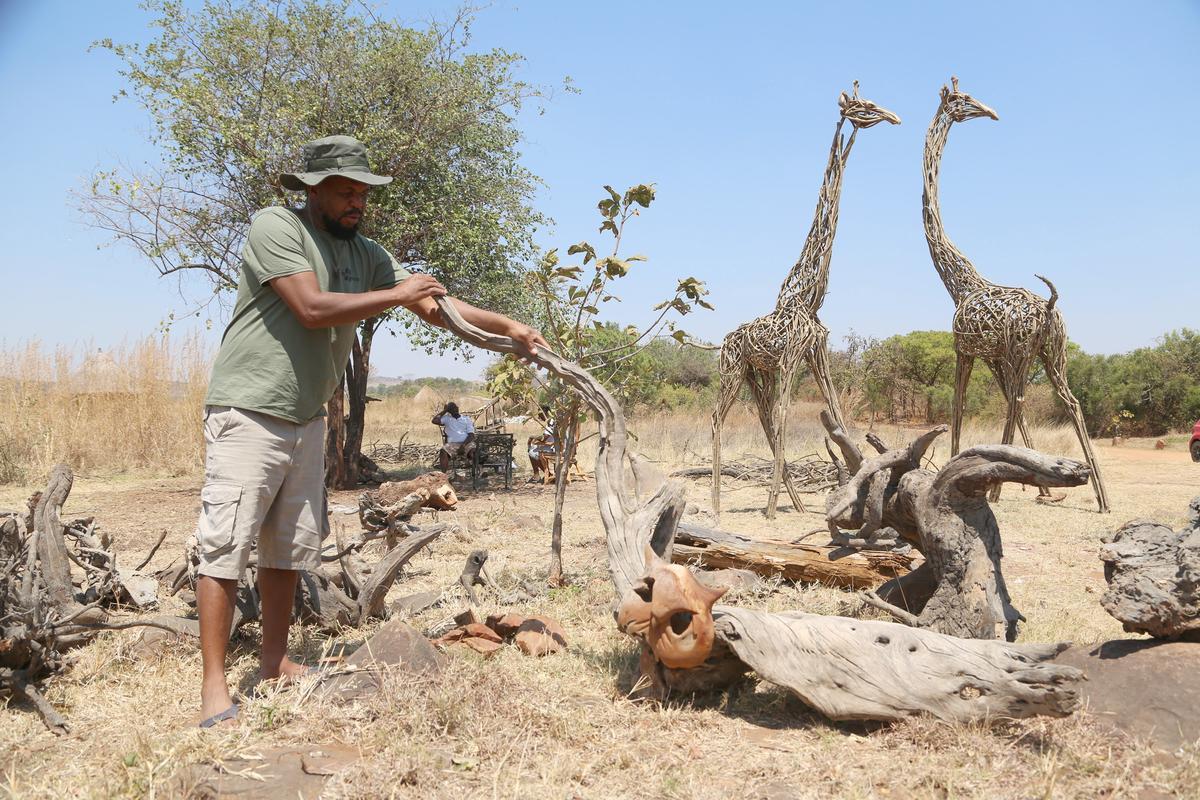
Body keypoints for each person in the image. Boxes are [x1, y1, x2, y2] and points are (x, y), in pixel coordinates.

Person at [194, 135, 547, 728]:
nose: (357, 201)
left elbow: (437, 307)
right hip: (251, 410)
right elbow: (310, 307)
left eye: (363, 191)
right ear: (312, 191)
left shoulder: (366, 254)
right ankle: (213, 688)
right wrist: (399, 292)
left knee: (285, 550)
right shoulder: (275, 228)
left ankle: (274, 662)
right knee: (226, 547)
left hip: (305, 417)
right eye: (344, 190)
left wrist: (509, 328)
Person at [432, 401, 476, 472]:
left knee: (474, 451)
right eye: (451, 408)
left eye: (454, 407)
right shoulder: (447, 419)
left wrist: (463, 445)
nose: (454, 410)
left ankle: (477, 472)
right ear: (449, 411)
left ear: (458, 408)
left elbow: (471, 435)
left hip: (466, 443)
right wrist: (445, 410)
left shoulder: (466, 419)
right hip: (452, 444)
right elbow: (434, 420)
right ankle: (443, 476)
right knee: (443, 451)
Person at [527, 404, 557, 483]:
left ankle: (542, 474)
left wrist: (533, 437)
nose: (539, 417)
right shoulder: (552, 421)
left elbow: (545, 438)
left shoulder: (551, 422)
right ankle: (538, 474)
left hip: (552, 447)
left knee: (531, 451)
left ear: (544, 413)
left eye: (540, 414)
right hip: (553, 445)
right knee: (533, 449)